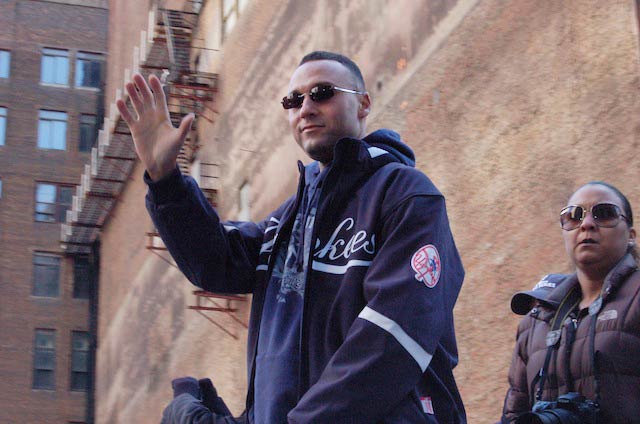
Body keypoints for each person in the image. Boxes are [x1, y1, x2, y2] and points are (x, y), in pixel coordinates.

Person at [117, 51, 466, 423]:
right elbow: (216, 261)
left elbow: (395, 333)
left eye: (323, 92)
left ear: (363, 104)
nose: (306, 107)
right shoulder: (289, 220)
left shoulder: (405, 194)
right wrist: (166, 178)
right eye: (294, 99)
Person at [501, 181, 640, 423]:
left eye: (604, 213)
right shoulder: (535, 321)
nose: (586, 224)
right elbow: (513, 415)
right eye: (573, 217)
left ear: (631, 235)